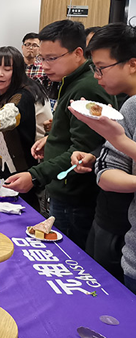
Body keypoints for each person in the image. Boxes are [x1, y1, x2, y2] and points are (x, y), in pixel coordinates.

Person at [4, 20, 116, 250]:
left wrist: (34, 176)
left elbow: (83, 150)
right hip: (63, 189)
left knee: (67, 258)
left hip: (74, 195)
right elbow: (74, 132)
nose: (44, 66)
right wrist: (52, 139)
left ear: (78, 53)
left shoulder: (86, 87)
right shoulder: (70, 80)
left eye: (52, 58)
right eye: (42, 58)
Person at [67, 23, 135, 287]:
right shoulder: (129, 105)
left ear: (132, 64)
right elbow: (107, 173)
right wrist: (99, 153)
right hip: (116, 224)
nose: (96, 76)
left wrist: (118, 141)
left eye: (101, 68)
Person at [0, 47, 48, 209]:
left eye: (7, 69)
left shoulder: (24, 94)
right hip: (7, 169)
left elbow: (11, 114)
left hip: (28, 172)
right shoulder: (0, 92)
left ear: (17, 71)